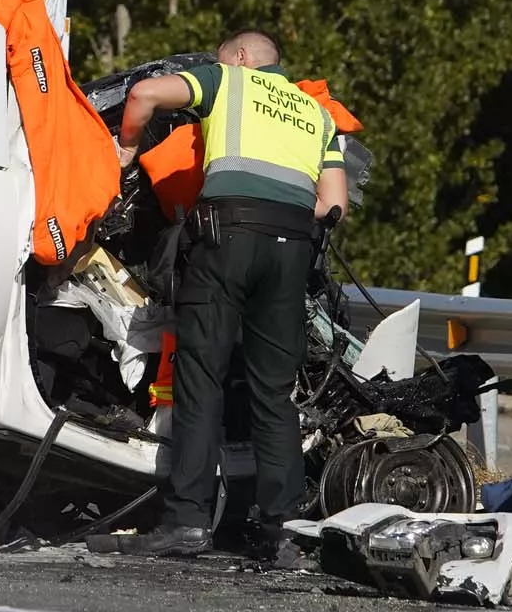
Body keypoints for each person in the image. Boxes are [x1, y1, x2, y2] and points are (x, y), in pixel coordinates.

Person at [112, 29, 348, 562]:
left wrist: (128, 146)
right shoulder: (318, 114)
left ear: (241, 58)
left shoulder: (226, 81)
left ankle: (187, 523)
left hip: (226, 239)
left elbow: (144, 95)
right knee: (274, 392)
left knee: (201, 378)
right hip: (290, 250)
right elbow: (333, 205)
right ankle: (284, 531)